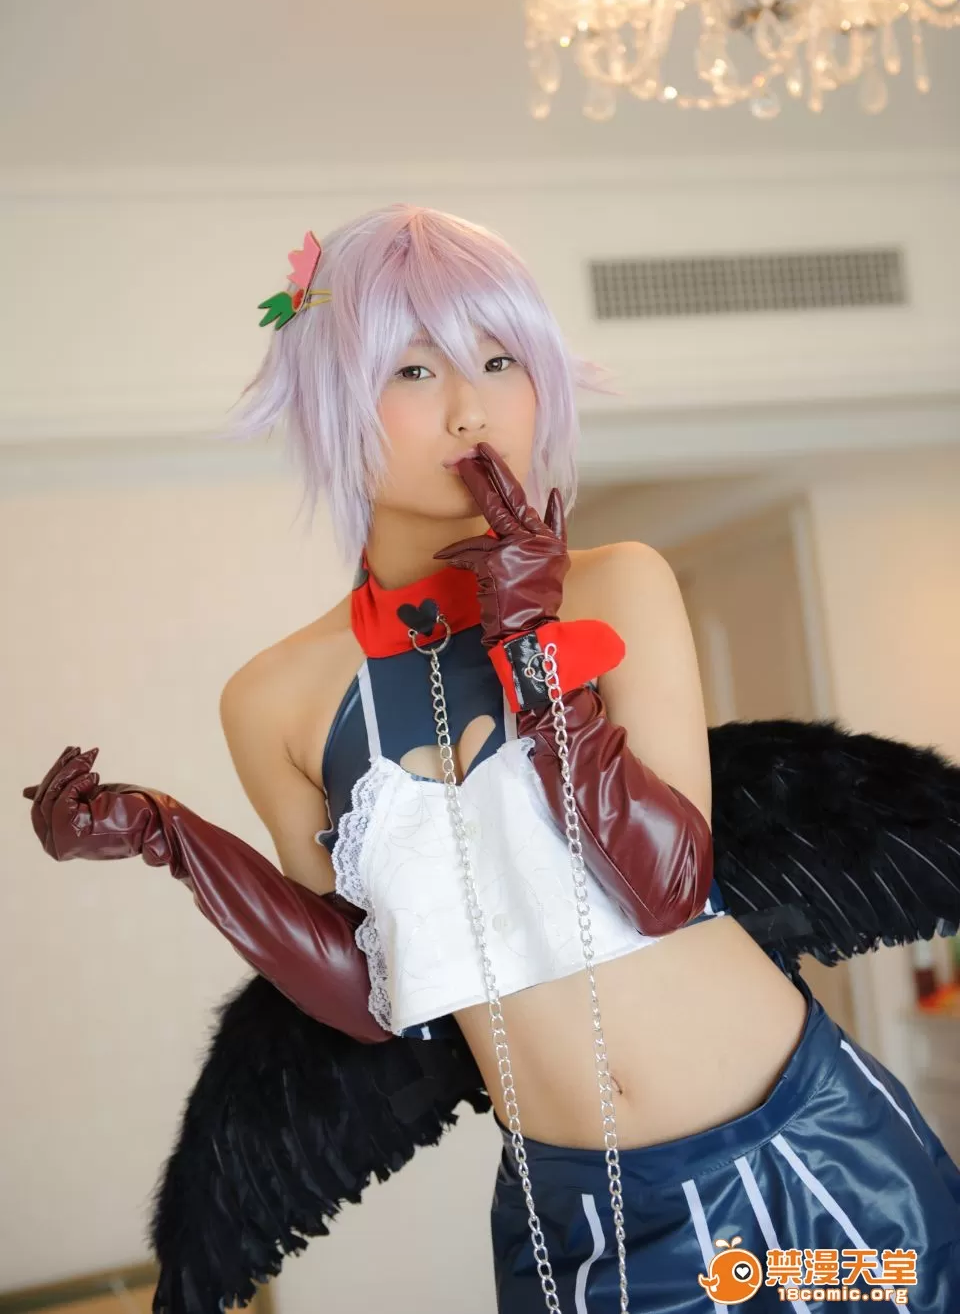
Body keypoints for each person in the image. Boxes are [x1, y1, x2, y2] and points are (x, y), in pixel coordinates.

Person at [24, 206, 960, 1313]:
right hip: (581, 1225)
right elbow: (380, 994)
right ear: (334, 400)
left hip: (813, 1157)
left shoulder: (616, 585)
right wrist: (167, 836)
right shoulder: (274, 699)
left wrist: (531, 640)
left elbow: (666, 888)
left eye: (501, 358)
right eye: (416, 369)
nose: (472, 406)